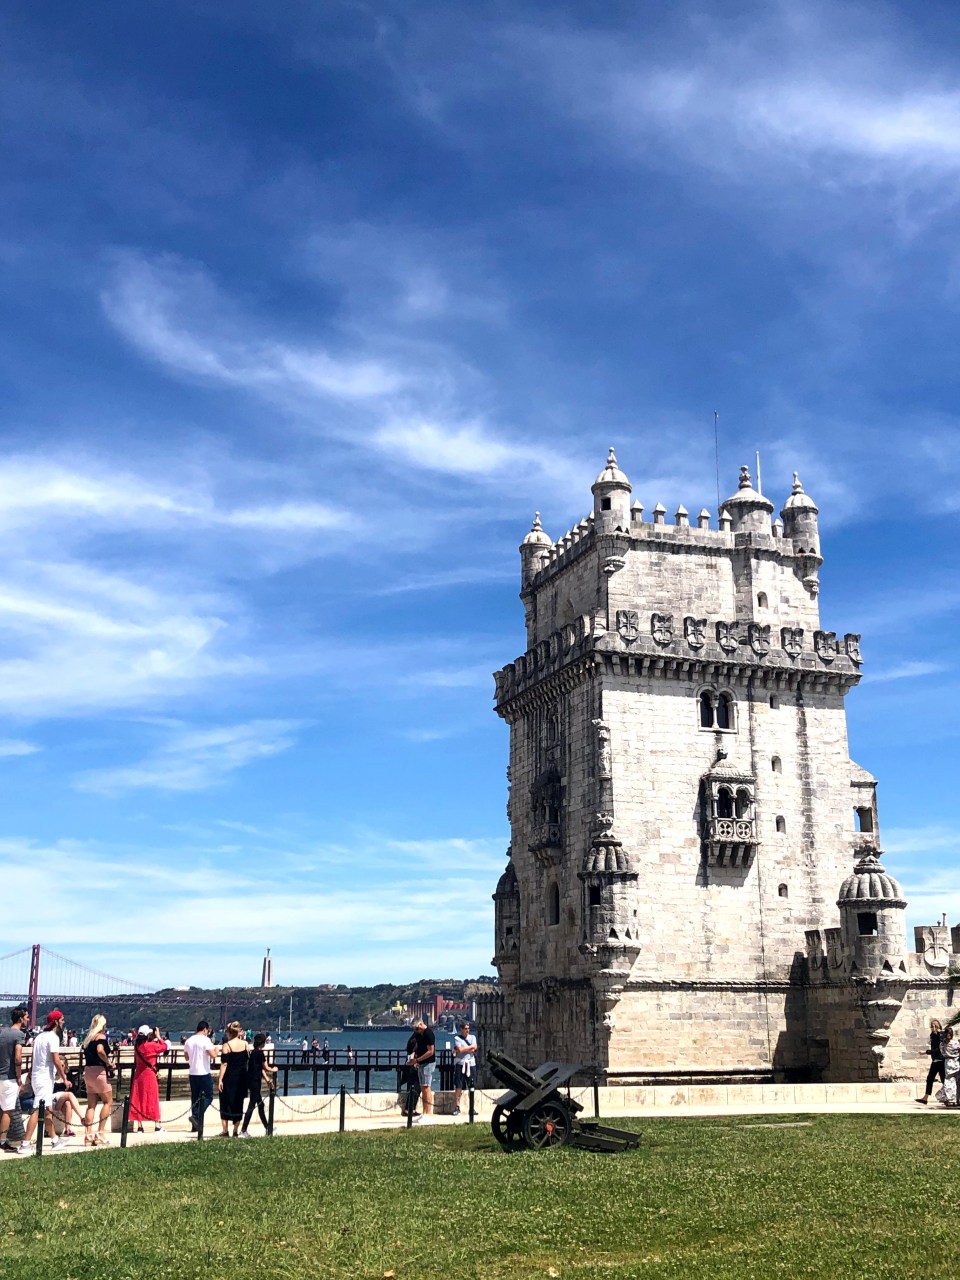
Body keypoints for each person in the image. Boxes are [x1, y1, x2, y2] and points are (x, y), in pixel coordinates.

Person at [23, 1009, 70, 1151]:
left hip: (37, 1076)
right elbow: (56, 1059)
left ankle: (55, 1140)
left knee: (47, 1109)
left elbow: (34, 1057)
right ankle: (25, 1143)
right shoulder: (53, 1038)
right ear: (56, 1021)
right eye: (61, 1019)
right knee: (38, 1109)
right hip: (44, 1078)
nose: (63, 1021)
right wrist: (64, 1077)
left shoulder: (39, 1037)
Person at [81, 1014, 114, 1146]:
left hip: (88, 1071)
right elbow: (100, 1050)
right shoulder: (101, 1037)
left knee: (91, 1104)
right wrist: (108, 1062)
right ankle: (100, 1132)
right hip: (99, 1071)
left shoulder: (88, 1039)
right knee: (108, 1101)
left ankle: (88, 1134)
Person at [0, 1006, 29, 1155]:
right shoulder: (19, 1035)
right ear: (20, 1019)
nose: (28, 1019)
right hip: (9, 1078)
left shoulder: (2, 1032)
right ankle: (3, 1141)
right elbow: (18, 1058)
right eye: (26, 1017)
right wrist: (19, 1077)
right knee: (7, 1111)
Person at [129, 1024, 168, 1133]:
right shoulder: (151, 1046)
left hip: (139, 1075)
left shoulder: (137, 1047)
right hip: (150, 1074)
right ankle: (157, 1125)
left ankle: (140, 1126)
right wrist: (159, 1036)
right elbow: (164, 1046)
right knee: (153, 1099)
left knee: (138, 1099)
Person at [239, 1033, 277, 1137]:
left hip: (251, 1080)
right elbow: (266, 1067)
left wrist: (267, 1080)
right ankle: (243, 1130)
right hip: (255, 1082)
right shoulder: (260, 1053)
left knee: (260, 1105)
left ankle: (268, 1128)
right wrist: (274, 1069)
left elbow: (260, 1069)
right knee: (252, 1105)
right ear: (262, 1043)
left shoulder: (253, 1053)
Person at [217, 1021, 249, 1138]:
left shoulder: (227, 1045)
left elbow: (224, 1064)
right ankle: (235, 1130)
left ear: (229, 1033)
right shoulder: (245, 1044)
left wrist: (220, 1079)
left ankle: (225, 1130)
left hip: (229, 1077)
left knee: (225, 1102)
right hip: (241, 1077)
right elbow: (247, 1060)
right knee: (238, 1103)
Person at [184, 1020, 218, 1132]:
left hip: (192, 1073)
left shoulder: (188, 1041)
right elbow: (213, 1055)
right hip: (203, 1072)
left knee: (195, 1097)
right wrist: (216, 1050)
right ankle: (196, 1116)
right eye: (207, 1030)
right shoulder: (206, 1040)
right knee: (209, 1096)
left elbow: (186, 1057)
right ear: (205, 1029)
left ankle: (195, 1125)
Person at [409, 1019, 436, 1123]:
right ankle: (424, 1112)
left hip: (428, 1063)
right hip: (421, 1063)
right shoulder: (420, 1034)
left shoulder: (429, 1033)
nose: (417, 1031)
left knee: (426, 1087)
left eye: (417, 1028)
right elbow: (417, 1047)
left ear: (421, 1024)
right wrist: (413, 1056)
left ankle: (428, 1113)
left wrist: (417, 1060)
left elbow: (430, 1051)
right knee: (422, 1087)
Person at [451, 1020, 478, 1117]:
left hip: (471, 1064)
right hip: (460, 1064)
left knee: (471, 1085)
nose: (467, 1030)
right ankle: (457, 1106)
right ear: (461, 1029)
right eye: (465, 1028)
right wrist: (469, 1048)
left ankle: (472, 1107)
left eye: (468, 1028)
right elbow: (460, 1049)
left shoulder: (473, 1037)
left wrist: (464, 1049)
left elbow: (474, 1048)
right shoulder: (457, 1038)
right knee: (458, 1086)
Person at [917, 1019, 946, 1105]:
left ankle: (949, 1097)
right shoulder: (933, 1035)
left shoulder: (939, 1035)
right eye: (932, 1026)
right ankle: (925, 1098)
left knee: (942, 1079)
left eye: (934, 1026)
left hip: (940, 1060)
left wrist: (925, 1052)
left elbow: (938, 1049)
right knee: (931, 1079)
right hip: (936, 1060)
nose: (933, 1028)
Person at [936, 1027, 960, 1107]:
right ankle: (956, 1099)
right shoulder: (956, 1043)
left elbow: (943, 1054)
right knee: (956, 1082)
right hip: (956, 1062)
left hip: (949, 1063)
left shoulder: (942, 1044)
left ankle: (951, 1099)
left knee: (949, 1082)